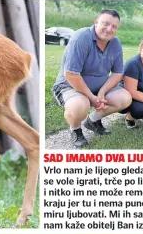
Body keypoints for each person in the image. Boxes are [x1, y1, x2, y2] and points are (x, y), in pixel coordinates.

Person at [52, 9, 131, 147]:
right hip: (70, 85)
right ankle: (75, 129)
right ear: (96, 22)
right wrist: (92, 98)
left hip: (98, 87)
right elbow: (71, 74)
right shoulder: (81, 37)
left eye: (114, 27)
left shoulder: (115, 43)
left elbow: (118, 73)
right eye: (105, 24)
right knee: (79, 107)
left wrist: (101, 92)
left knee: (125, 98)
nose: (109, 29)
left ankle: (93, 121)